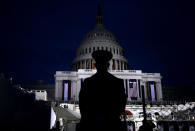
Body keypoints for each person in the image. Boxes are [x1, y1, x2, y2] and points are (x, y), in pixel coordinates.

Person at [78, 50, 127, 131]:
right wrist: (110, 116)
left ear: (95, 65)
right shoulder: (117, 82)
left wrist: (91, 117)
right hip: (111, 124)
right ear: (108, 65)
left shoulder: (88, 82)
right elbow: (121, 104)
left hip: (91, 124)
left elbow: (82, 104)